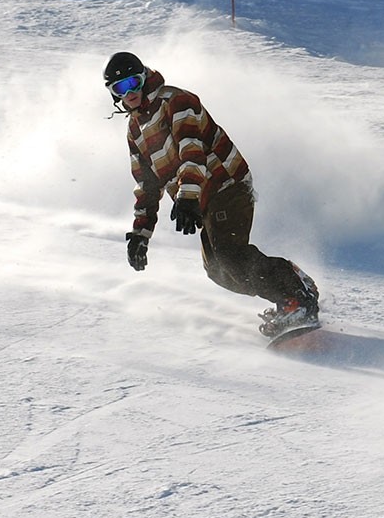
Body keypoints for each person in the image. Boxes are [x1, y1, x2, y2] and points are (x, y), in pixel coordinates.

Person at [103, 52, 319, 337]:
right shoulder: (135, 129)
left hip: (225, 183)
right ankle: (293, 281)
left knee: (231, 257)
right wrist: (140, 234)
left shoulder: (176, 102)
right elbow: (146, 185)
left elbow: (192, 150)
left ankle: (296, 301)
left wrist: (187, 196)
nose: (129, 92)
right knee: (219, 272)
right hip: (199, 198)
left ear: (144, 77)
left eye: (132, 82)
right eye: (119, 88)